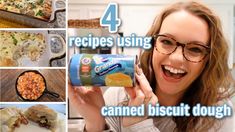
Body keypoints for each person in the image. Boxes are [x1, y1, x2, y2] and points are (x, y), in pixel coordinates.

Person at [68, 1, 235, 132]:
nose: (176, 58)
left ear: (208, 60)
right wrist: (96, 124)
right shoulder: (118, 96)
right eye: (166, 41)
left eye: (195, 49)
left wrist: (139, 125)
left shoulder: (217, 112)